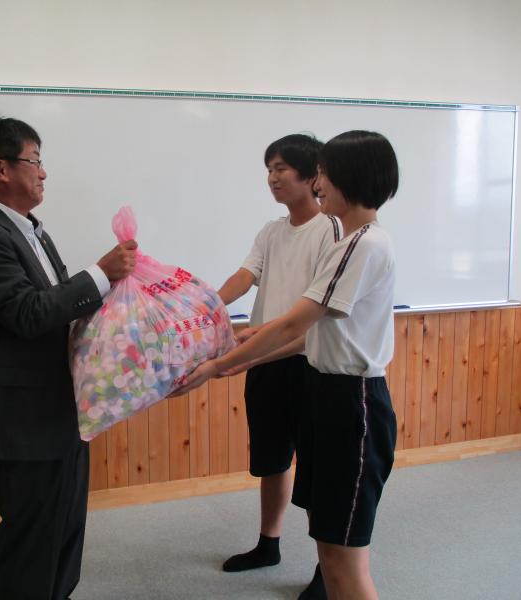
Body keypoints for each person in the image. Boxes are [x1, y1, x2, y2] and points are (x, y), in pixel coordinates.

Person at [176, 130, 399, 600]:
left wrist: (219, 365)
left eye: (322, 174)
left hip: (350, 399)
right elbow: (303, 326)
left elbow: (298, 323)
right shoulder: (346, 240)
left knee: (344, 557)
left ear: (347, 177)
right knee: (334, 545)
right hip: (326, 385)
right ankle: (272, 545)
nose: (318, 184)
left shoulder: (356, 243)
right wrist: (235, 335)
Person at [0, 114, 137, 600]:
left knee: (65, 534)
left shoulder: (33, 231)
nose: (43, 172)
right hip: (22, 425)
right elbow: (28, 313)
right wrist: (100, 273)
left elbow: (56, 310)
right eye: (34, 160)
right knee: (32, 546)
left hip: (61, 413)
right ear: (1, 169)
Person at [216, 134, 339, 600]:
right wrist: (206, 304)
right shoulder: (271, 231)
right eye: (269, 168)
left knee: (317, 470)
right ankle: (268, 544)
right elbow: (244, 276)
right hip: (264, 357)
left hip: (309, 361)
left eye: (282, 168)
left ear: (312, 176)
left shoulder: (332, 231)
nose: (272, 177)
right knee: (272, 459)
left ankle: (330, 568)